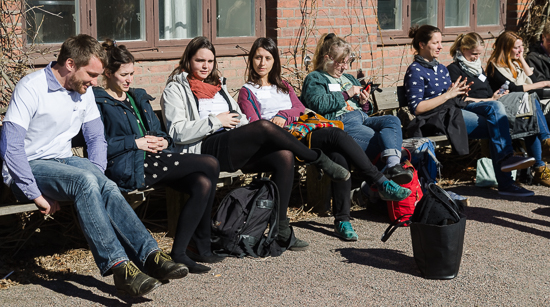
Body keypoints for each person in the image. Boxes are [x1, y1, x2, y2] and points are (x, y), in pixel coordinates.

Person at [0, 35, 187, 297]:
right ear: (69, 64)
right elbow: (11, 146)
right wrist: (35, 195)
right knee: (84, 181)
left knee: (102, 182)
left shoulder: (82, 90)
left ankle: (151, 256)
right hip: (29, 169)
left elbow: (96, 137)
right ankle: (120, 268)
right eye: (91, 74)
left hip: (63, 162)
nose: (95, 82)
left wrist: (97, 172)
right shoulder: (31, 87)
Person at [161, 36, 351, 251]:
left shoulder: (217, 87)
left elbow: (240, 117)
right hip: (204, 148)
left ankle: (281, 228)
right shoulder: (175, 90)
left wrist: (235, 123)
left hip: (231, 143)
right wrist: (216, 121)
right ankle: (316, 158)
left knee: (284, 157)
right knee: (262, 126)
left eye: (210, 61)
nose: (205, 66)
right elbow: (177, 132)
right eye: (199, 61)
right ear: (188, 61)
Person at [237, 37, 411, 241]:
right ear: (252, 60)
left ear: (274, 61)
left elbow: (299, 108)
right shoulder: (247, 91)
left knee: (339, 156)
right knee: (338, 134)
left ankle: (342, 220)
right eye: (258, 58)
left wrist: (284, 115)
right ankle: (380, 181)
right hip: (282, 138)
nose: (262, 63)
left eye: (267, 58)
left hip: (303, 130)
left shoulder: (283, 85)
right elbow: (256, 124)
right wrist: (282, 119)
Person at [93, 39, 222, 274]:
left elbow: (160, 132)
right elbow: (99, 145)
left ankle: (182, 251)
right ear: (108, 73)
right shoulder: (99, 102)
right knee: (210, 163)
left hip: (156, 160)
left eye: (132, 73)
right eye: (123, 74)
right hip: (131, 165)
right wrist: (135, 142)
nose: (129, 79)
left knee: (202, 182)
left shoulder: (137, 98)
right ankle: (202, 242)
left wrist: (164, 140)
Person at [404, 25, 536, 197]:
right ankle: (506, 180)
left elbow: (452, 97)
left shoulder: (441, 68)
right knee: (495, 124)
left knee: (496, 108)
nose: (440, 46)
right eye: (435, 43)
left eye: (440, 42)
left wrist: (459, 93)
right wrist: (448, 95)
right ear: (422, 44)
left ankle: (506, 162)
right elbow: (417, 108)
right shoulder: (415, 70)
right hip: (436, 117)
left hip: (454, 108)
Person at [301, 33, 413, 186]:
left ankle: (393, 167)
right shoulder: (315, 78)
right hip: (341, 123)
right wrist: (347, 94)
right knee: (379, 142)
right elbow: (318, 104)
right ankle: (374, 188)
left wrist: (364, 102)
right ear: (327, 58)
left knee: (392, 120)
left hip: (362, 118)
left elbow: (366, 110)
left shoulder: (349, 78)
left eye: (347, 62)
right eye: (341, 62)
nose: (345, 67)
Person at [448, 32, 550, 187]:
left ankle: (539, 163)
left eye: (479, 54)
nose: (477, 57)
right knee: (529, 102)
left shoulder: (478, 69)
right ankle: (542, 152)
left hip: (496, 102)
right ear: (463, 49)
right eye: (474, 54)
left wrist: (494, 96)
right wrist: (490, 99)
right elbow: (460, 99)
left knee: (529, 111)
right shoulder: (456, 69)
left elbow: (489, 92)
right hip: (485, 107)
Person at [486, 31, 550, 93]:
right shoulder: (496, 66)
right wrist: (544, 83)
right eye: (516, 48)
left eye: (521, 46)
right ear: (506, 49)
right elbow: (514, 88)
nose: (521, 50)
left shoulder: (515, 62)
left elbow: (533, 81)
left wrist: (521, 59)